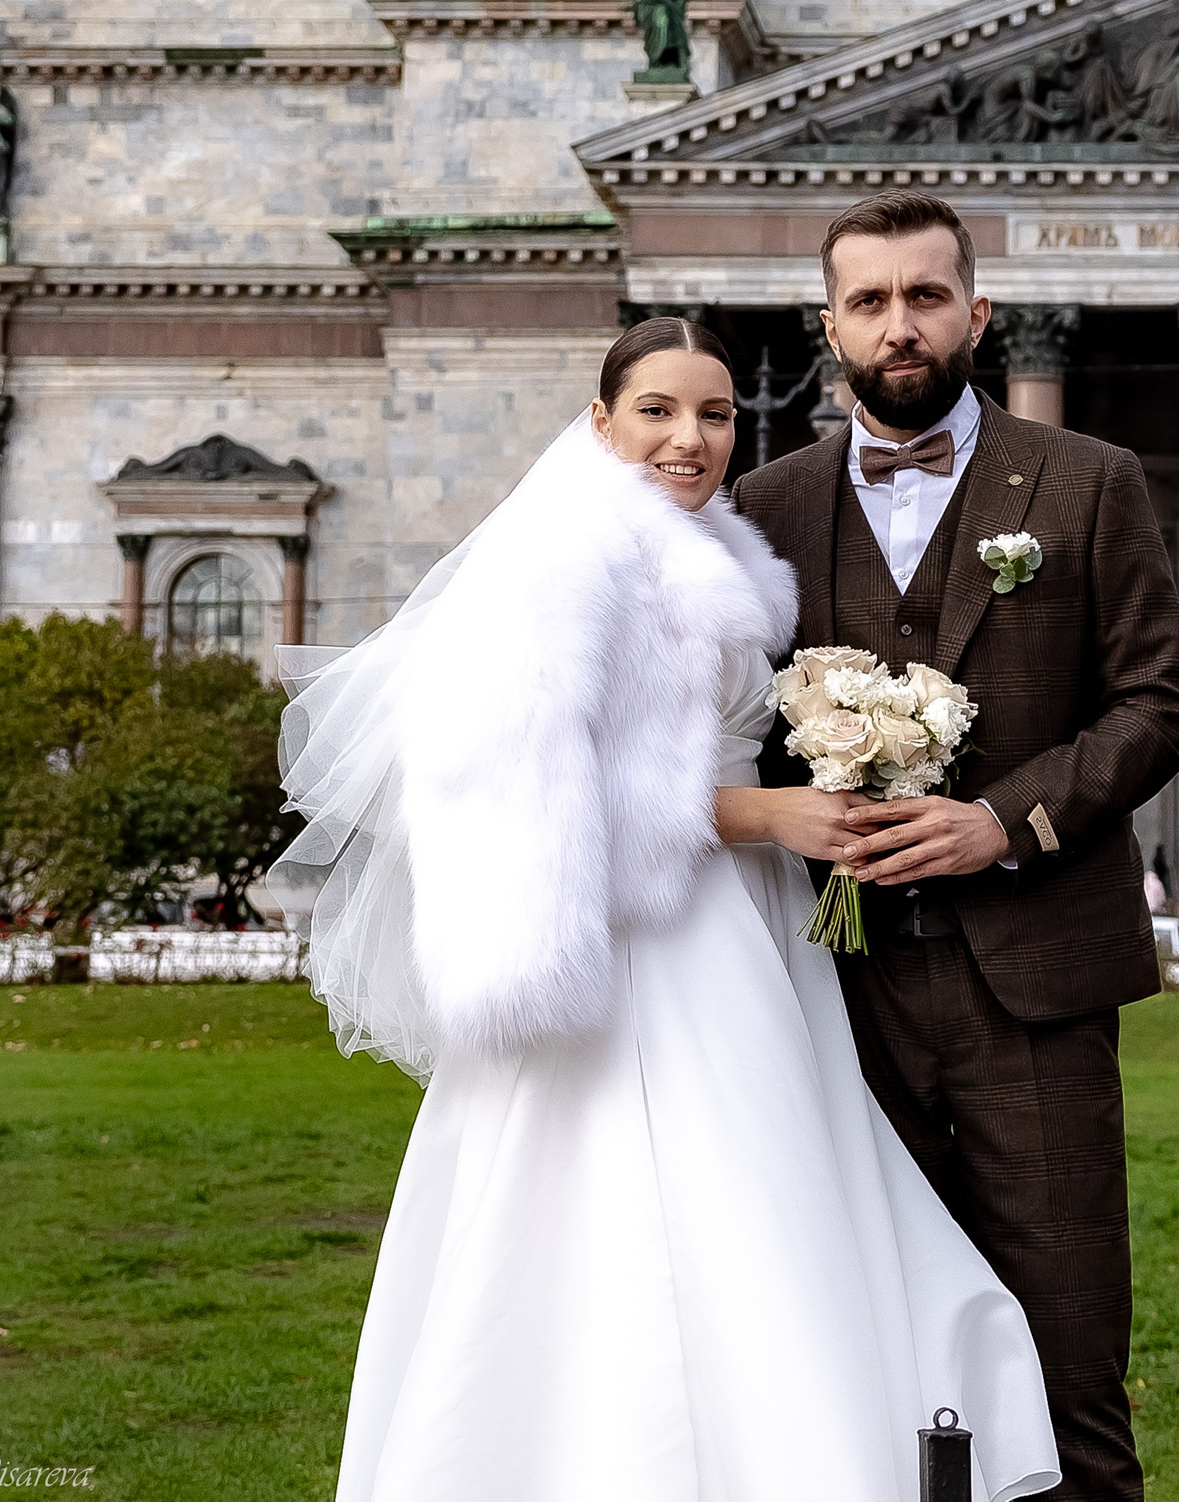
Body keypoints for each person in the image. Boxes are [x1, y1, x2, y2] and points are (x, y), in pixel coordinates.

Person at [274, 316, 1059, 1502]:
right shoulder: (565, 555)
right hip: (648, 937)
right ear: (600, 422)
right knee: (674, 1195)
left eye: (714, 413)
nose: (689, 439)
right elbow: (537, 783)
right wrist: (767, 816)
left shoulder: (719, 549)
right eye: (656, 411)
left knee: (785, 1186)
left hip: (746, 923)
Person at [735, 191, 1179, 1502]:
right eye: (870, 300)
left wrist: (1006, 819)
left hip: (1036, 986)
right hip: (837, 992)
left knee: (1069, 1357)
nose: (900, 324)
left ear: (977, 313)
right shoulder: (762, 508)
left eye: (926, 296)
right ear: (828, 324)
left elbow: (1157, 706)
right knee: (865, 1347)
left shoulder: (1087, 481)